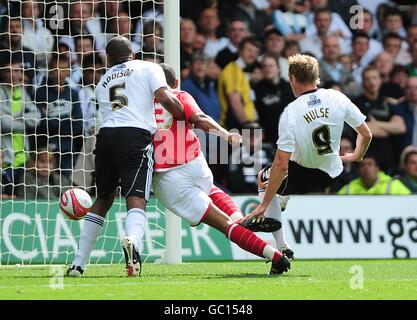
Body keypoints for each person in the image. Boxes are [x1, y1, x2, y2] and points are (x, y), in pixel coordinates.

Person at [153, 64, 290, 275]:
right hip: (195, 164)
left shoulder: (142, 105)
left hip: (168, 177)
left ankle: (274, 255)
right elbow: (199, 119)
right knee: (213, 192)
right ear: (176, 83)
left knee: (225, 226)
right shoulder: (179, 95)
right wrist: (225, 134)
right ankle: (241, 219)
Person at [67, 36, 185, 277]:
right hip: (135, 136)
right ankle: (132, 242)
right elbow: (164, 97)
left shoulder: (102, 81)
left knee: (103, 198)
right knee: (136, 198)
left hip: (105, 137)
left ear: (109, 59)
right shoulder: (149, 67)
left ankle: (78, 264)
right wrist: (183, 115)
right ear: (133, 52)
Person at [244, 54, 373, 255]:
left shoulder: (290, 112)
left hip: (303, 175)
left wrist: (264, 204)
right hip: (332, 174)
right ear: (317, 77)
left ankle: (282, 246)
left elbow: (281, 164)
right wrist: (357, 156)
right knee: (294, 154)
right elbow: (366, 134)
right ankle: (282, 198)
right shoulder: (337, 97)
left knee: (265, 177)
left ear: (293, 79)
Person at [338, 154, 410, 195]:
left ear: (377, 168)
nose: (366, 167)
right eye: (362, 165)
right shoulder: (350, 187)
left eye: (369, 164)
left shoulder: (393, 184)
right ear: (359, 170)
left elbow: (409, 202)